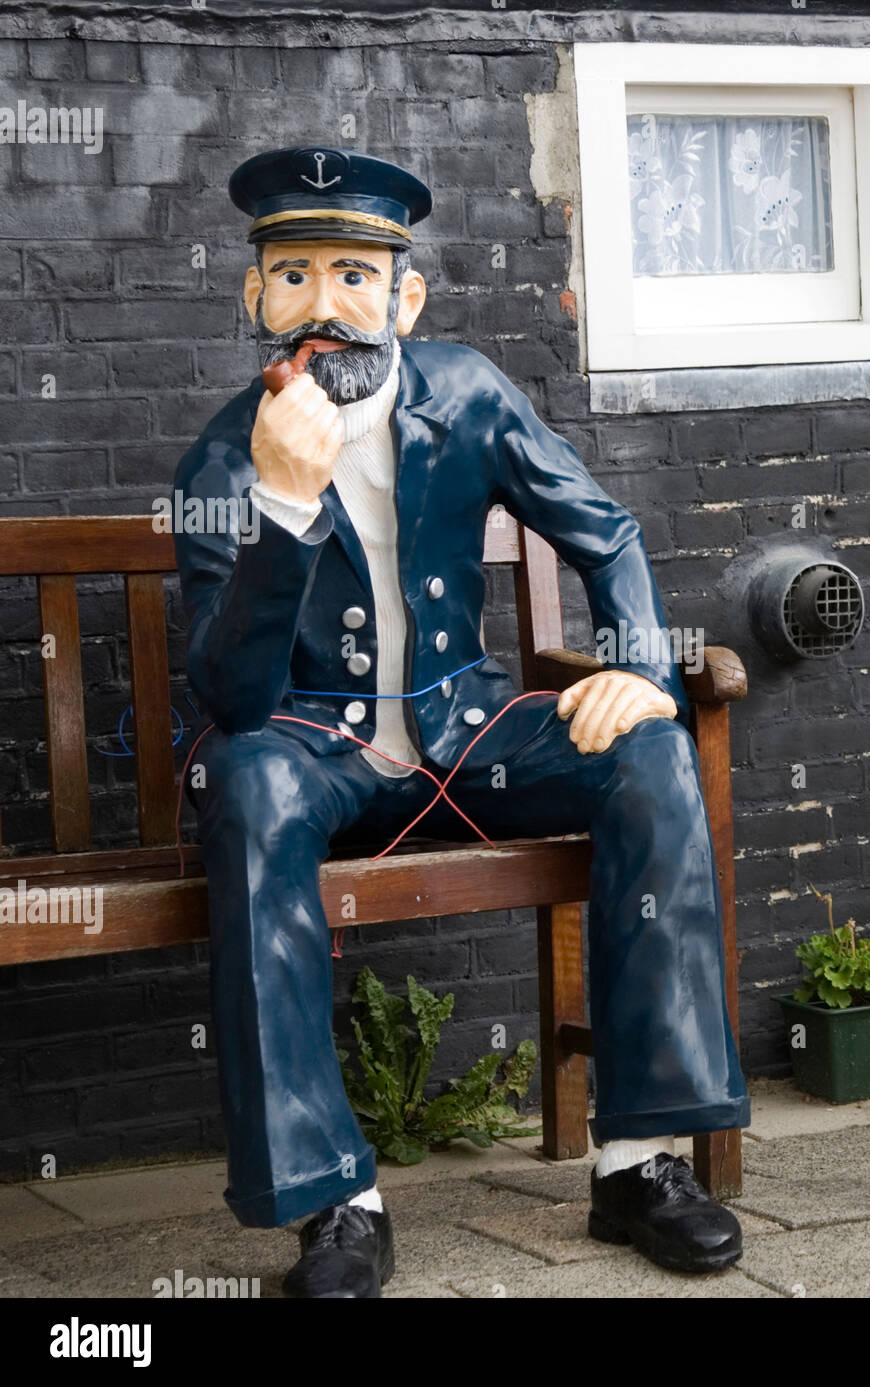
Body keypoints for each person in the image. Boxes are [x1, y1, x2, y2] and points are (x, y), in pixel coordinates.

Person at [172, 147, 750, 1296]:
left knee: (650, 749)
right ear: (254, 298)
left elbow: (609, 533)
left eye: (353, 272)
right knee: (247, 786)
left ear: (406, 296)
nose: (325, 304)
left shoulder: (470, 394)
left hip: (464, 726)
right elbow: (233, 703)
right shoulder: (221, 461)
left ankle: (639, 1161)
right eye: (293, 276)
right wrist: (283, 504)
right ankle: (337, 1197)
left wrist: (637, 664)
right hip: (313, 741)